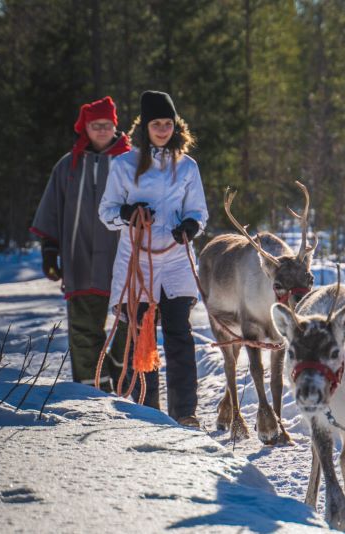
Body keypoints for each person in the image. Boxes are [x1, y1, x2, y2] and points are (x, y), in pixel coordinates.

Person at [99, 90, 208, 427]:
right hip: (138, 260)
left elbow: (199, 212)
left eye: (168, 123)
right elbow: (106, 212)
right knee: (139, 334)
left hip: (175, 259)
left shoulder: (187, 166)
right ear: (144, 126)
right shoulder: (124, 165)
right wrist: (128, 212)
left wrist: (190, 226)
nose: (162, 129)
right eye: (156, 123)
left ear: (176, 127)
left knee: (179, 335)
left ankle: (184, 412)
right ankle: (148, 411)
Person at [31, 96, 131, 392]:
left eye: (107, 124)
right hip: (80, 260)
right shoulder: (68, 166)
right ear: (84, 128)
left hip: (123, 262)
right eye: (95, 125)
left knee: (131, 324)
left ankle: (120, 371)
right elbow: (52, 208)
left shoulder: (131, 163)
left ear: (115, 125)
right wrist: (50, 250)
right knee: (84, 330)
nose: (102, 130)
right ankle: (92, 392)